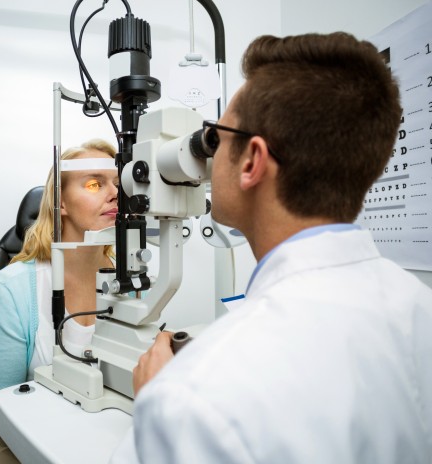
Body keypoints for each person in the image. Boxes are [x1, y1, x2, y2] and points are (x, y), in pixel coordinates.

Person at [111, 32, 432, 463]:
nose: (210, 156)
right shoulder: (418, 306)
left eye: (215, 137)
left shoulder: (196, 395)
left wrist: (157, 407)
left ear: (252, 162)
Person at [0, 138, 119, 463]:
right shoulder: (13, 289)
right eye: (95, 183)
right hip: (13, 435)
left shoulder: (128, 282)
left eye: (117, 182)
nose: (114, 192)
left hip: (106, 426)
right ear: (61, 203)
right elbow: (0, 405)